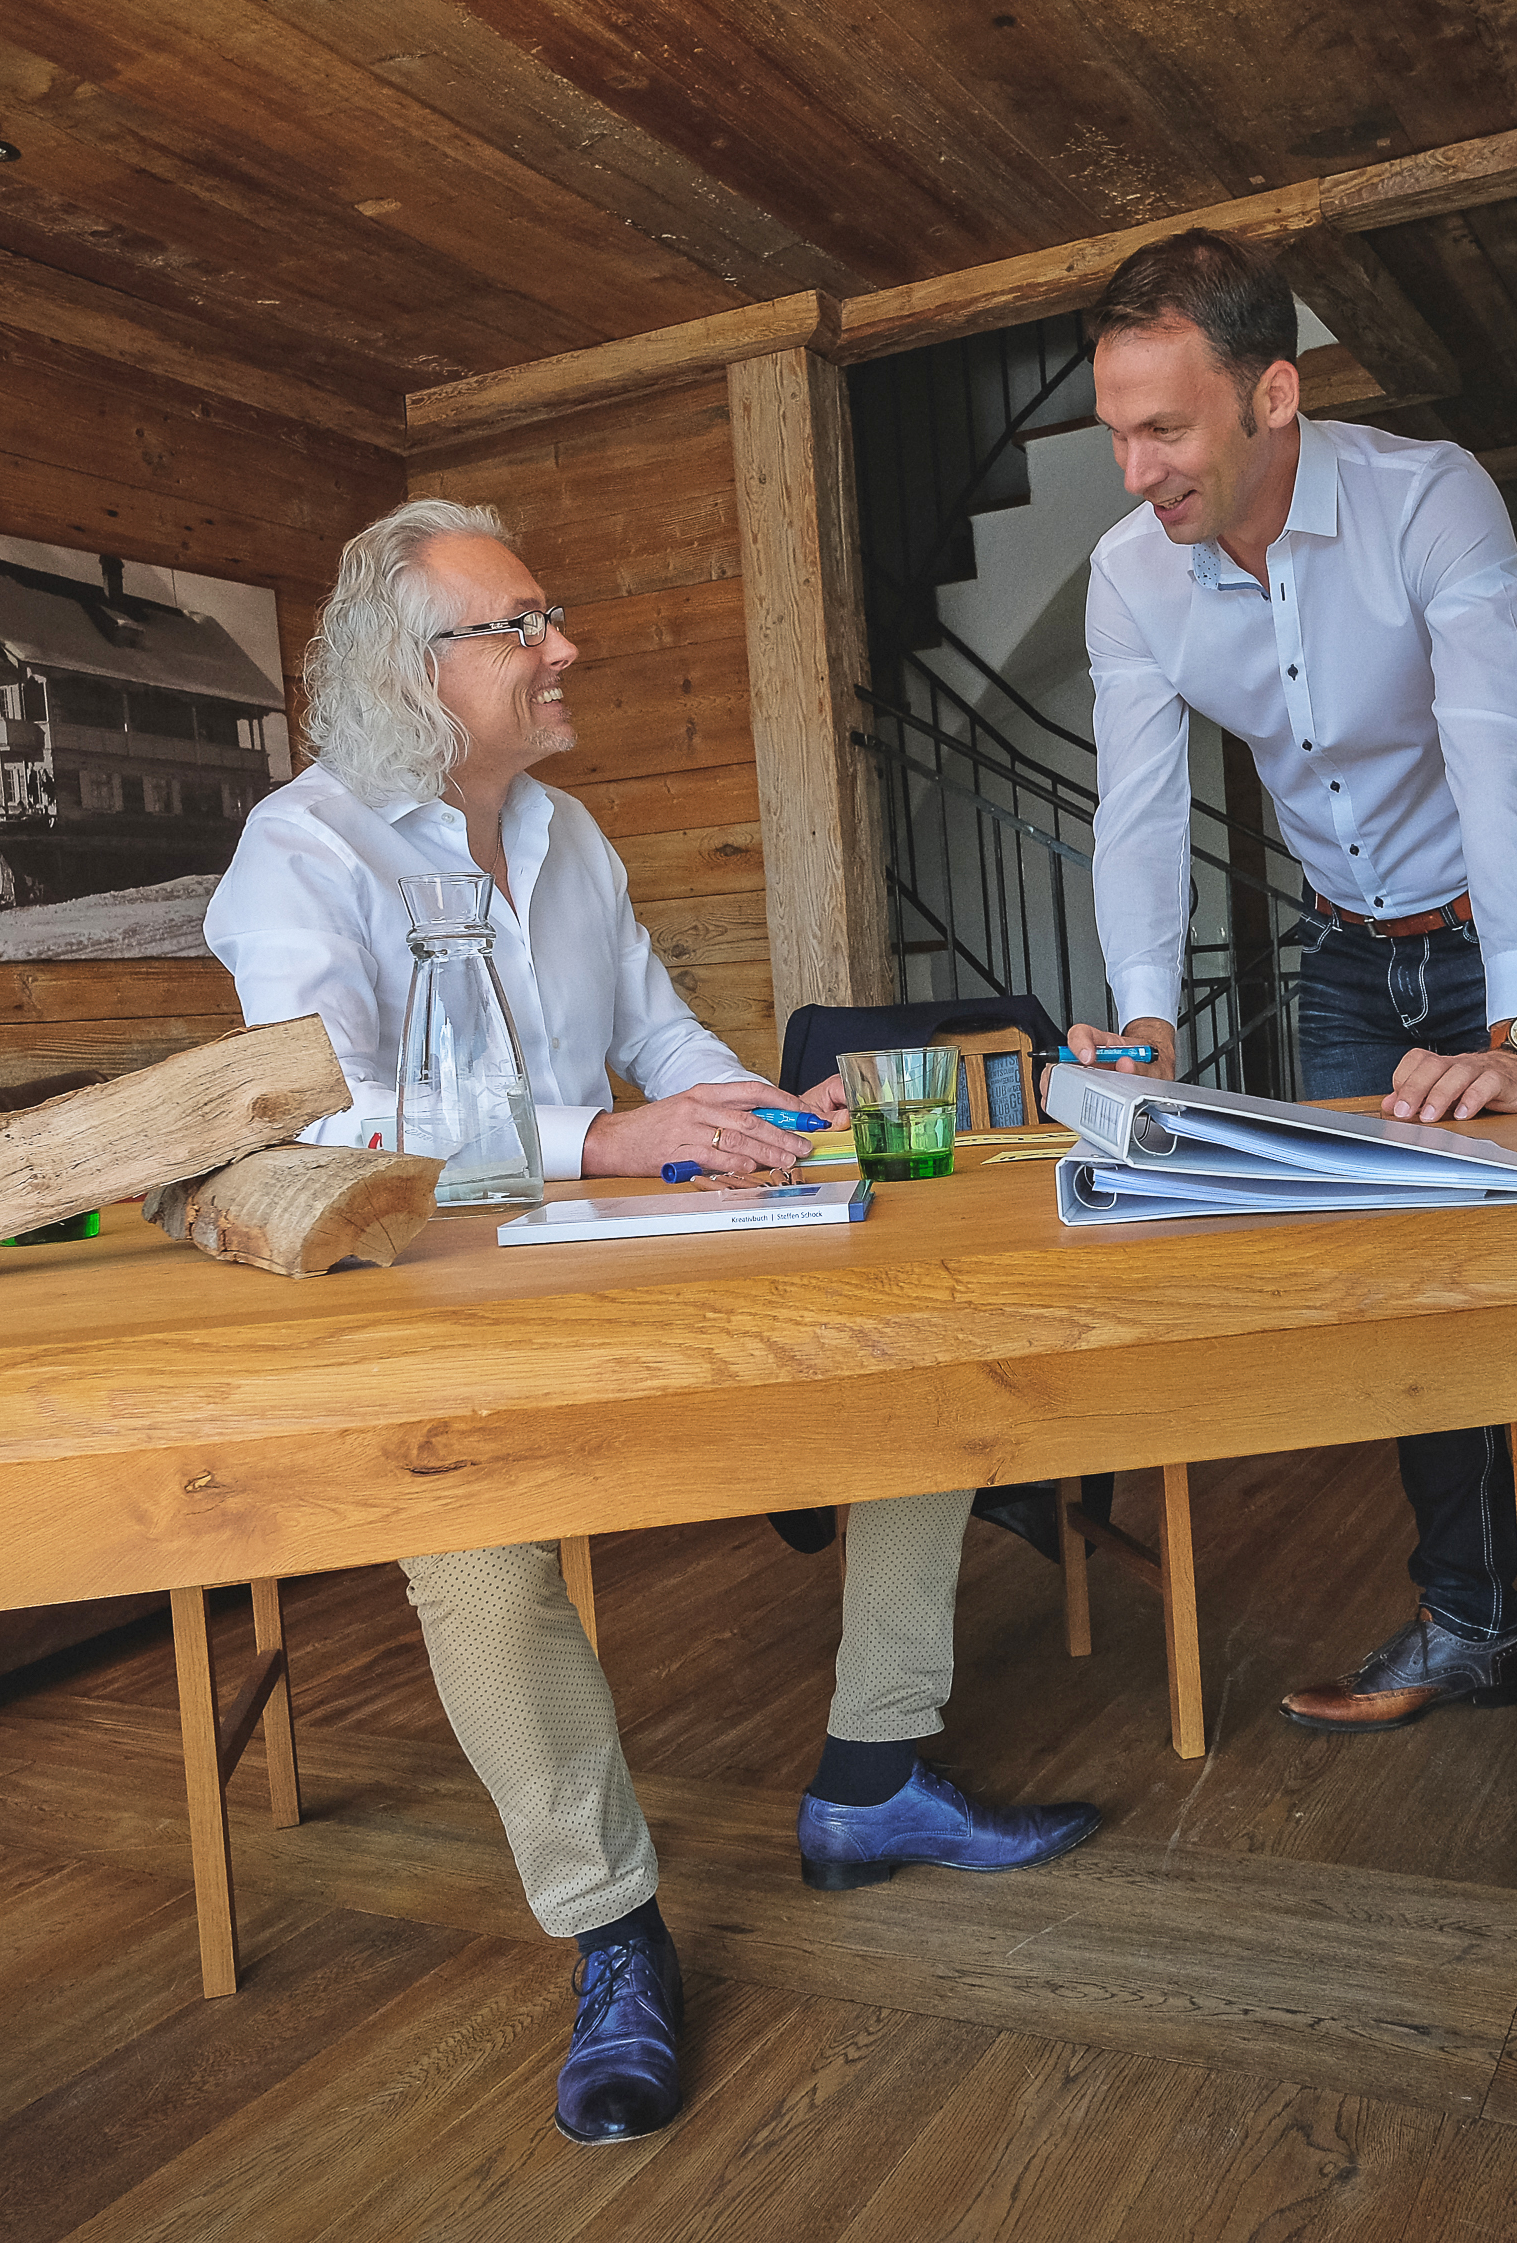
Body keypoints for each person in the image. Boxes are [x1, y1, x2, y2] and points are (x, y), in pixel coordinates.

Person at [206, 497, 1102, 2145]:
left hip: (598, 1263)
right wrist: (597, 1140)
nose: (566, 648)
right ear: (419, 670)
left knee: (913, 1361)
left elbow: (665, 1037)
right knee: (473, 1553)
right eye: (523, 624)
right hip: (422, 1297)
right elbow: (318, 1124)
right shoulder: (304, 852)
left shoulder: (568, 834)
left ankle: (874, 1775)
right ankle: (612, 1927)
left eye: (550, 616)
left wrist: (768, 1106)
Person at [1064, 230, 1517, 1738]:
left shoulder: (1429, 502)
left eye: (1163, 429)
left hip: (1508, 938)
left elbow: (1507, 758)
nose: (1133, 471)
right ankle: (1472, 1620)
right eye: (1115, 434)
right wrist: (1151, 1008)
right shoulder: (1130, 580)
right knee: (1405, 1296)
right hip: (1353, 957)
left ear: (1275, 395)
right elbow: (1139, 806)